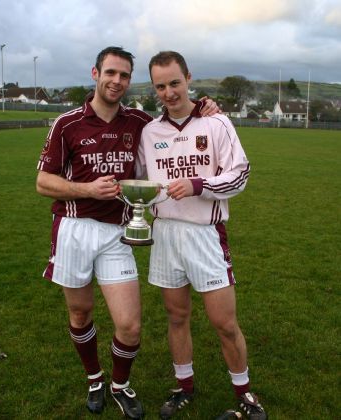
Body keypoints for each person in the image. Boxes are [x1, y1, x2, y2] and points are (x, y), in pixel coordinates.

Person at [36, 46, 219, 419]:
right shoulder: (67, 124)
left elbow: (175, 118)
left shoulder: (139, 122)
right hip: (73, 227)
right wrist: (88, 189)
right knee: (80, 312)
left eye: (124, 75)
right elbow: (42, 182)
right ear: (96, 74)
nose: (117, 81)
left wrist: (203, 106)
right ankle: (94, 379)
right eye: (110, 73)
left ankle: (119, 385)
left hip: (117, 232)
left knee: (130, 326)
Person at [136, 51, 267, 420]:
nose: (169, 92)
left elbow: (240, 175)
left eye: (175, 83)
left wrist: (199, 185)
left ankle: (244, 393)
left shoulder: (217, 123)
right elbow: (138, 179)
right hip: (165, 234)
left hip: (205, 234)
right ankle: (184, 386)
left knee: (224, 323)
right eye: (160, 86)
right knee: (176, 316)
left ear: (188, 78)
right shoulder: (150, 132)